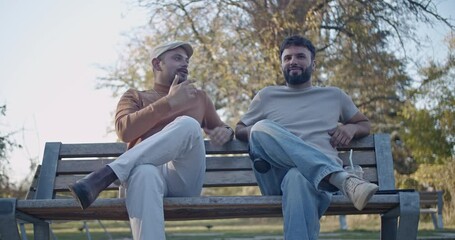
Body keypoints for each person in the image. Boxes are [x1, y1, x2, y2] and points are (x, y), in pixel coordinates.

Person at [68, 41, 234, 240]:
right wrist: (168, 102)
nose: (185, 64)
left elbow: (219, 126)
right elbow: (124, 131)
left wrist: (227, 132)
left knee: (189, 125)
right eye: (177, 58)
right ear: (157, 64)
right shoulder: (135, 96)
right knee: (145, 171)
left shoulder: (199, 98)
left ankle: (108, 174)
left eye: (187, 60)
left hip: (182, 179)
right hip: (143, 174)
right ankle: (116, 172)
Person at [235, 35, 378, 240]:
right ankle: (339, 178)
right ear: (282, 64)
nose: (293, 61)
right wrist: (266, 135)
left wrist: (350, 129)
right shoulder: (266, 96)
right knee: (259, 128)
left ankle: (328, 175)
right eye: (287, 58)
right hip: (276, 177)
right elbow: (240, 129)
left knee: (298, 176)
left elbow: (364, 124)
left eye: (300, 56)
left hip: (312, 182)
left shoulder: (334, 95)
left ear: (313, 63)